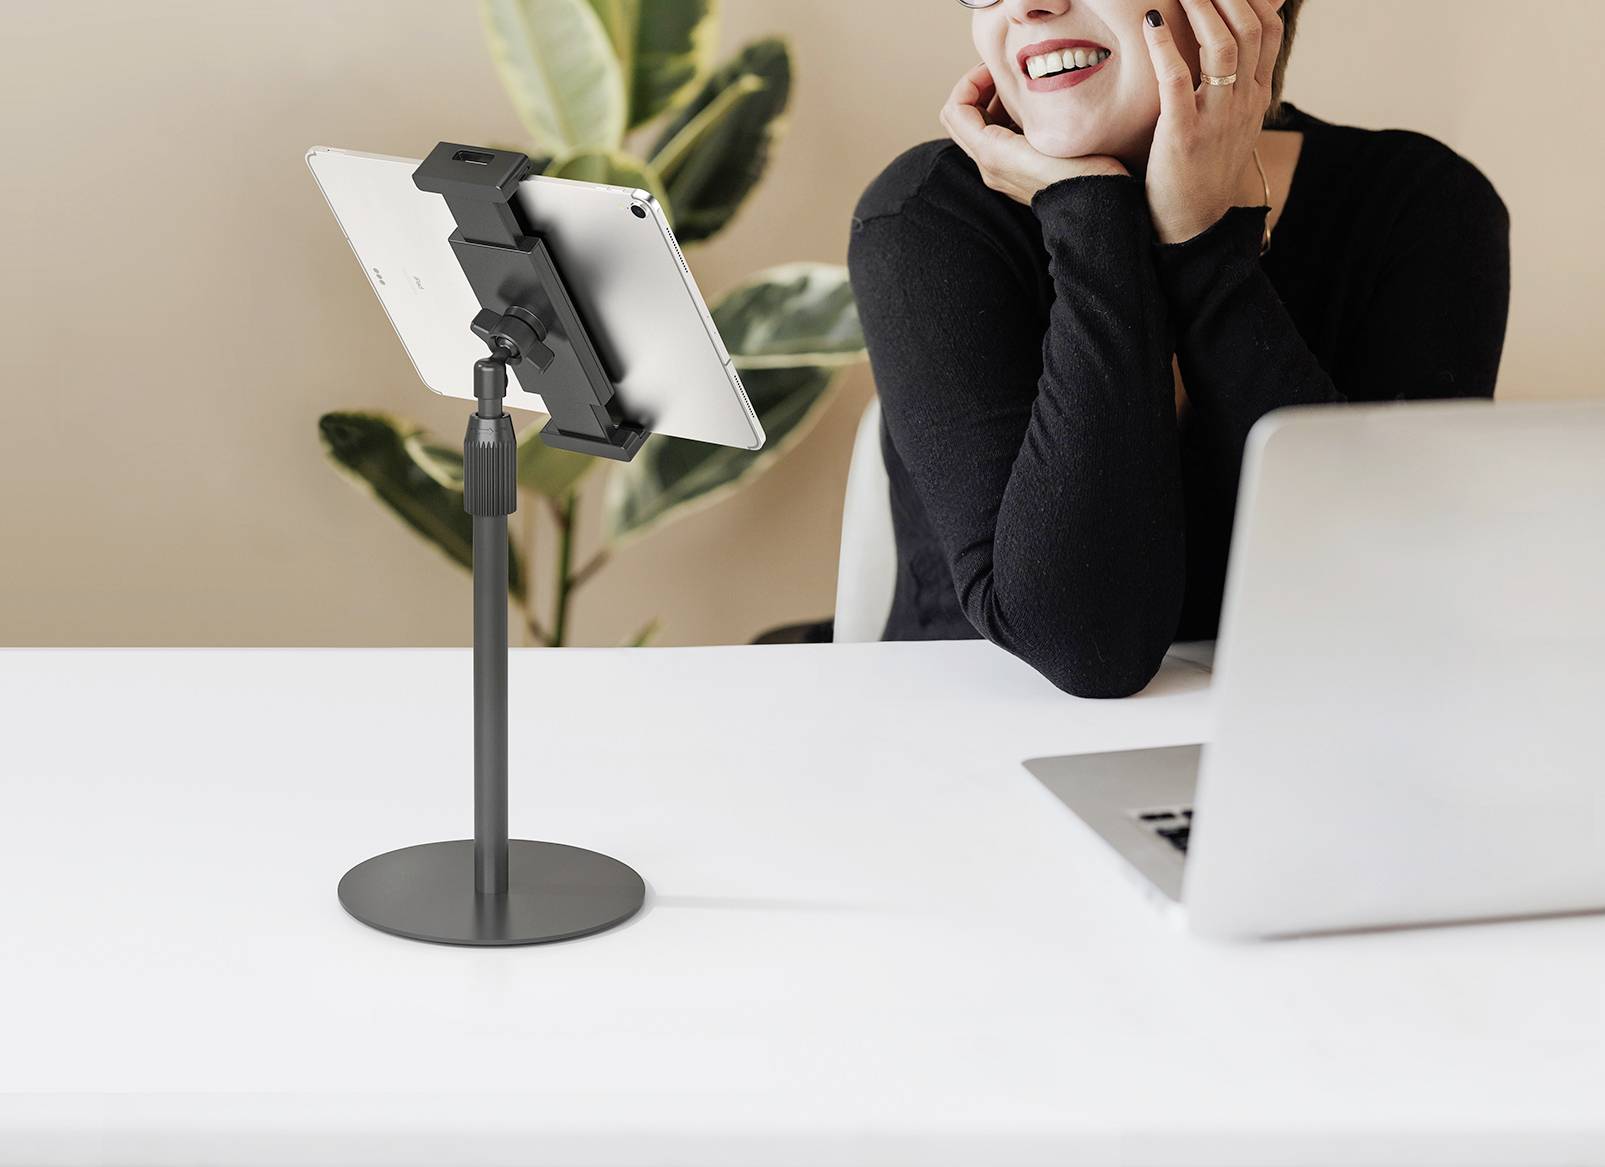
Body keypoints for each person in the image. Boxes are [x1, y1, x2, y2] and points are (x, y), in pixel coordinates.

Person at [847, 0, 1511, 698]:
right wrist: (1090, 214)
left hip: (1317, 736)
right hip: (965, 754)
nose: (1024, 4)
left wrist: (1200, 246)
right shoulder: (926, 217)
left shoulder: (1417, 206)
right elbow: (1087, 646)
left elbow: (1393, 604)